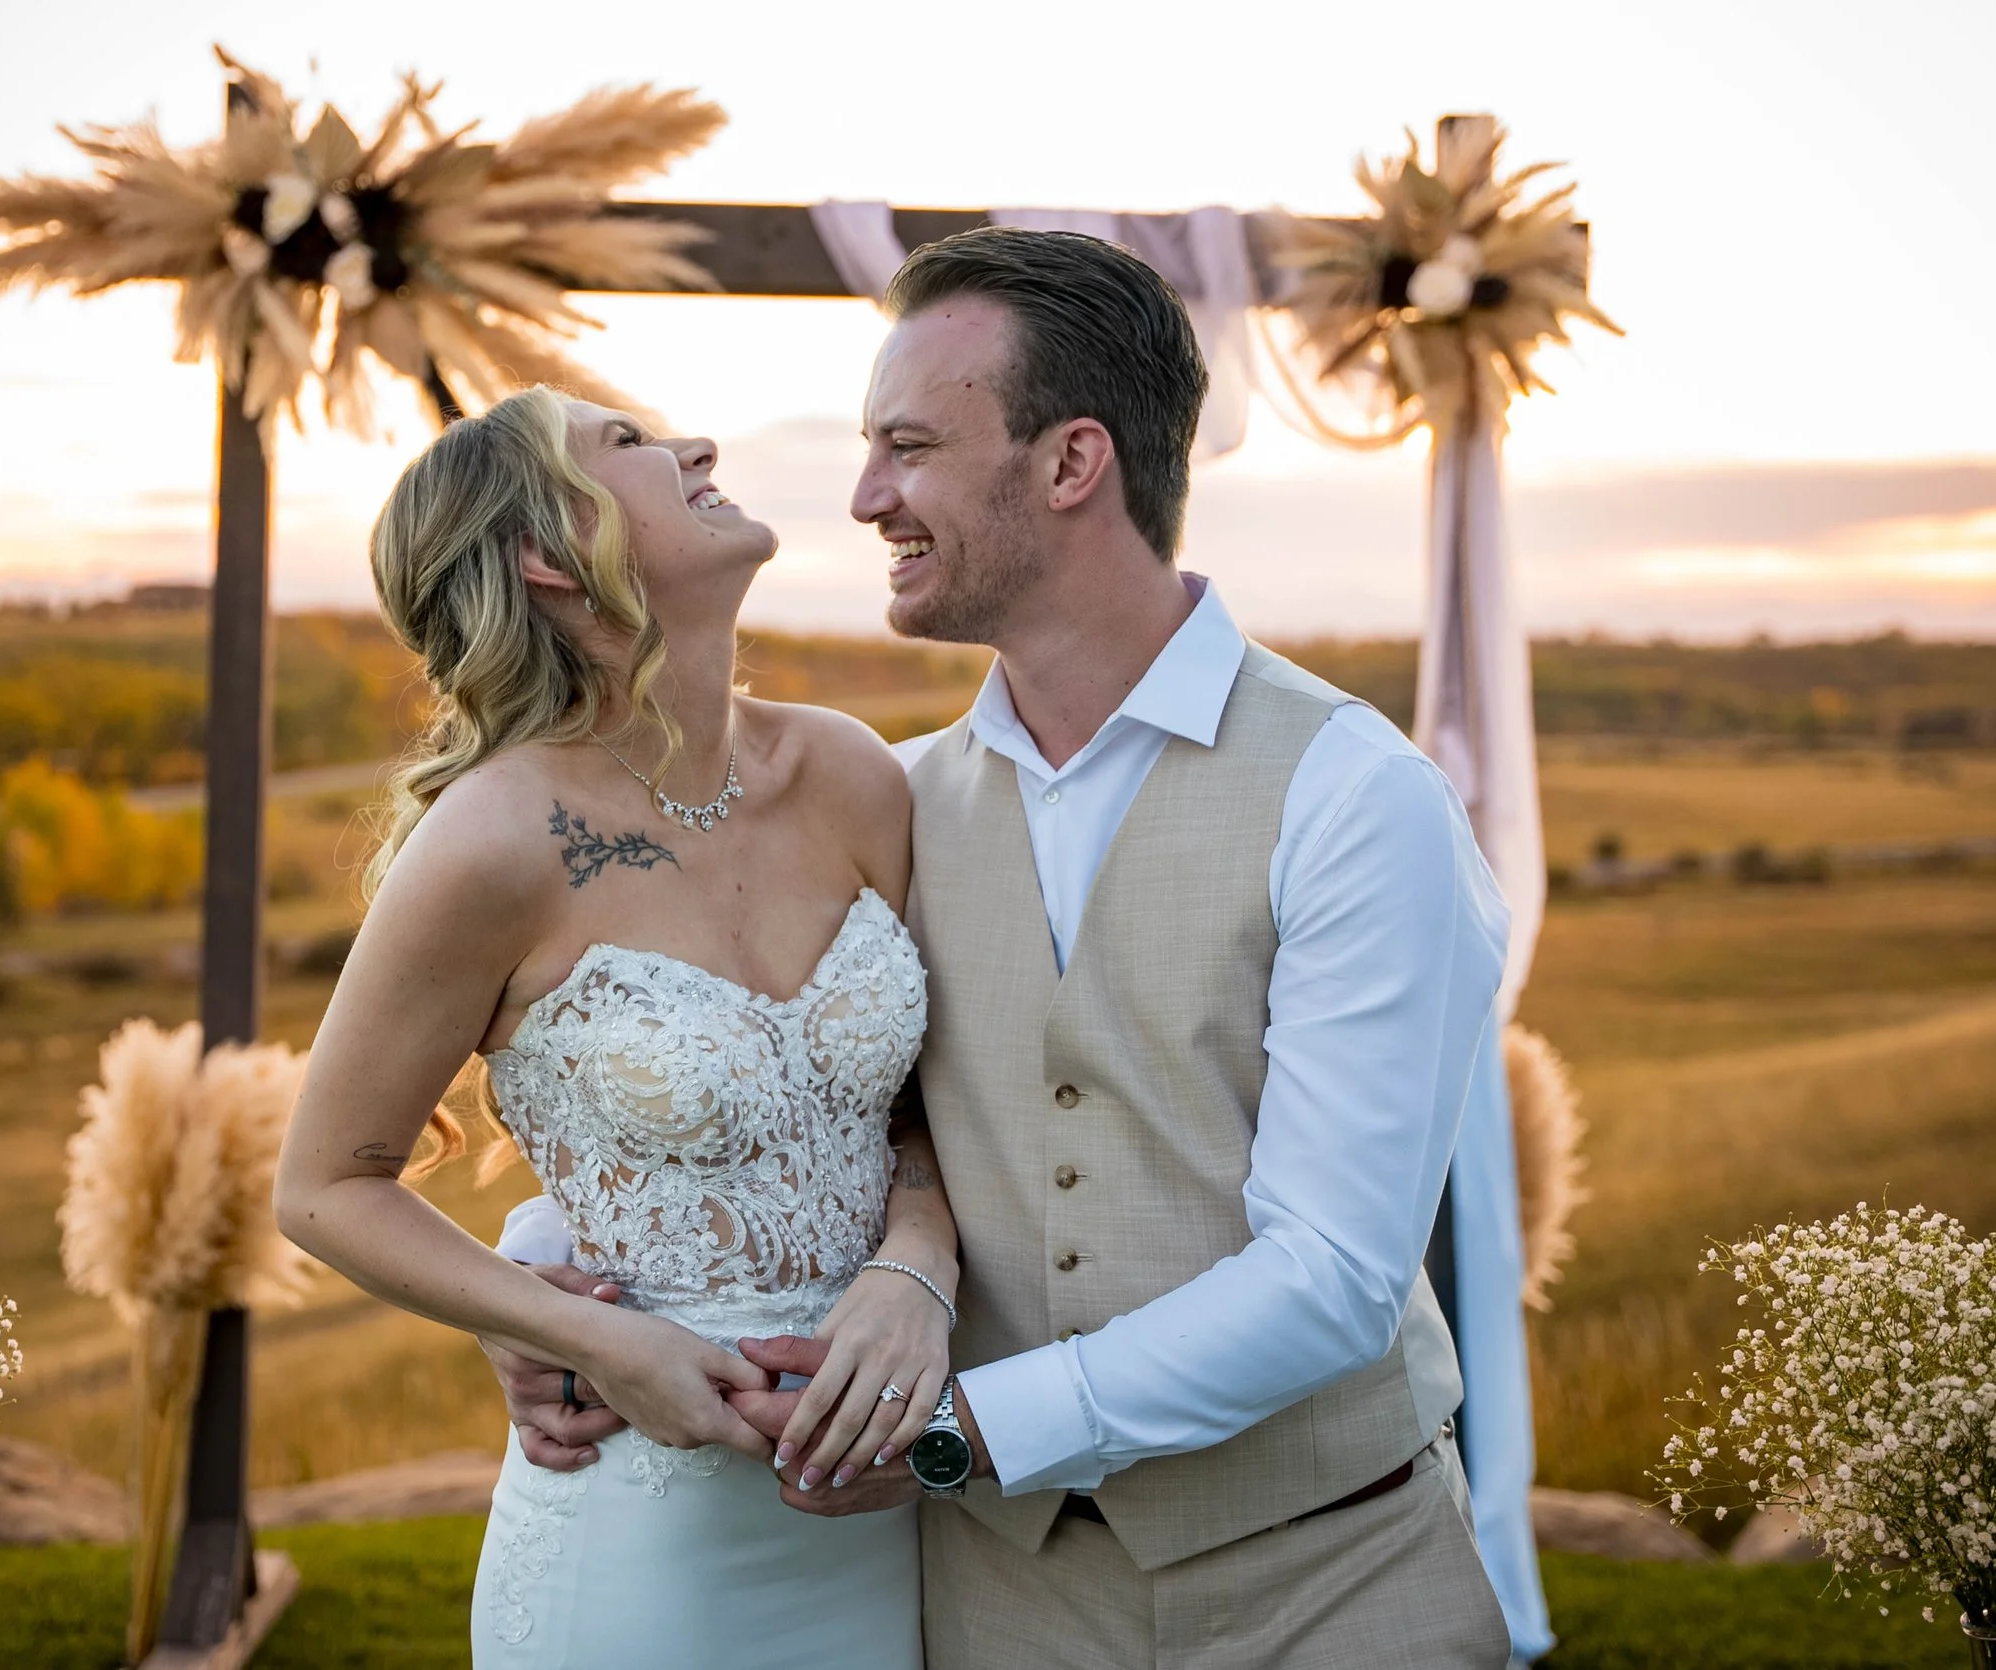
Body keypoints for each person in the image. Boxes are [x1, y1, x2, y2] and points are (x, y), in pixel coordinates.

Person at [494, 228, 1515, 1668]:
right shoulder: (887, 805)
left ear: (1070, 463)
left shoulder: (1358, 797)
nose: (863, 498)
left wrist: (963, 1432)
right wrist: (555, 1283)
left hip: (1333, 1589)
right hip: (991, 1608)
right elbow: (779, 1106)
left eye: (907, 447)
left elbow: (1335, 1274)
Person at [272, 384, 959, 1669]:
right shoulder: (490, 842)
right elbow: (323, 1185)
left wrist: (915, 1269)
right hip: (643, 1532)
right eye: (628, 444)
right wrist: (588, 1337)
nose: (698, 444)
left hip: (880, 1511)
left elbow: (915, 1108)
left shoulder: (851, 770)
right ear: (547, 552)